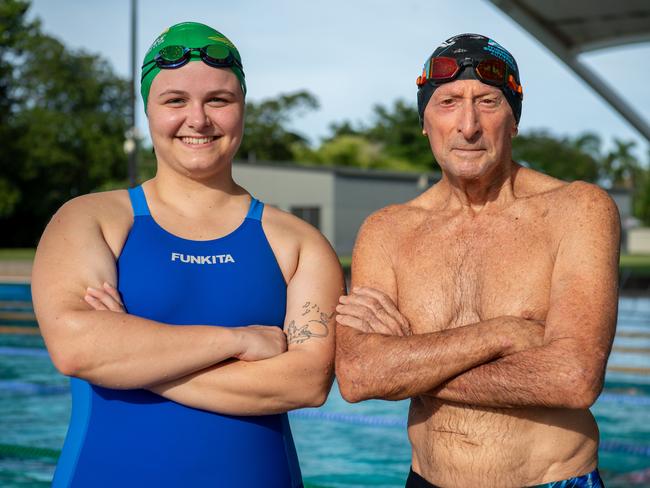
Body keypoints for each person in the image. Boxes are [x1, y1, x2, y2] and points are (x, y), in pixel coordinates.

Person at [32, 22, 344, 488]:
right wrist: (236, 341)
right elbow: (77, 347)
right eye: (175, 100)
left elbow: (306, 382)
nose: (197, 119)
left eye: (218, 100)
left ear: (242, 109)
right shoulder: (90, 219)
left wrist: (129, 361)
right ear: (148, 112)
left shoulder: (298, 242)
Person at [335, 33, 619, 488]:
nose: (468, 125)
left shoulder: (577, 210)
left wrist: (407, 367)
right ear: (425, 122)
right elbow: (357, 377)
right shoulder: (387, 230)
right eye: (447, 102)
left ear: (514, 120)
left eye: (487, 101)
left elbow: (574, 378)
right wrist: (505, 333)